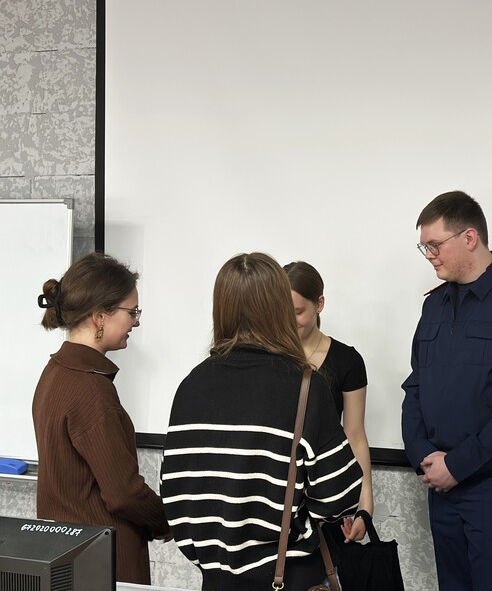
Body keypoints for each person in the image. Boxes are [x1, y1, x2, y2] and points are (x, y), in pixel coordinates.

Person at [160, 252, 362, 590]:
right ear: (278, 308)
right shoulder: (305, 387)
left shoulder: (190, 386)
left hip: (215, 581)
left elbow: (175, 493)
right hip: (290, 578)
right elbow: (338, 498)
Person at [401, 190, 492, 590]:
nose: (429, 255)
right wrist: (423, 455)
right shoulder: (434, 305)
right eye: (424, 247)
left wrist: (459, 464)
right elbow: (415, 385)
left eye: (434, 245)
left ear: (470, 238)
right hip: (440, 484)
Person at [33, 252, 170, 584]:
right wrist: (166, 520)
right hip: (104, 566)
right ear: (99, 316)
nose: (136, 322)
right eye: (131, 312)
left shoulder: (53, 372)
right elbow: (123, 493)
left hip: (65, 559)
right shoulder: (91, 389)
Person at [283, 260, 374, 548]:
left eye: (297, 312)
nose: (288, 322)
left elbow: (355, 435)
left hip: (326, 494)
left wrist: (365, 506)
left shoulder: (347, 361)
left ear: (319, 304)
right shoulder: (267, 358)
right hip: (276, 494)